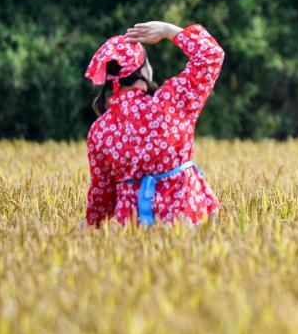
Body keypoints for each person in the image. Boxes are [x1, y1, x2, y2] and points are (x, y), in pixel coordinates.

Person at [84, 21, 225, 227]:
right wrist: (168, 31)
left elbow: (102, 196)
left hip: (133, 230)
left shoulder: (100, 130)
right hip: (186, 215)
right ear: (144, 71)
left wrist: (88, 226)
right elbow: (211, 54)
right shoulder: (172, 100)